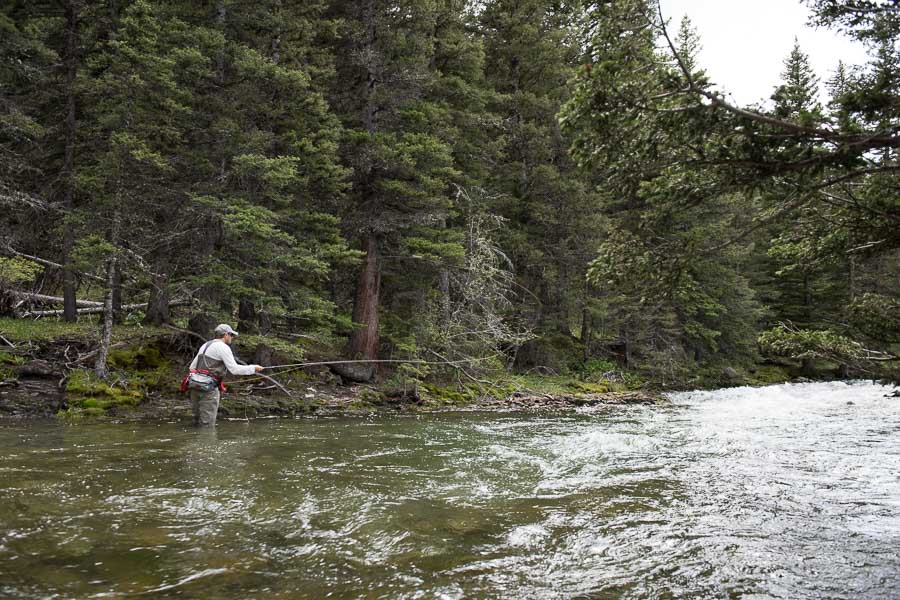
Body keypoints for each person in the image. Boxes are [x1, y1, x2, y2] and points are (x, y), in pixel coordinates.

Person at [186, 323, 263, 426]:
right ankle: (206, 441)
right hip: (208, 389)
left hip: (194, 387)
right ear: (226, 334)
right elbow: (234, 369)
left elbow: (192, 367)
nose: (232, 337)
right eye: (231, 335)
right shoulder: (223, 347)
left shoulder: (205, 345)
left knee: (196, 422)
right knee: (206, 425)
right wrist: (253, 368)